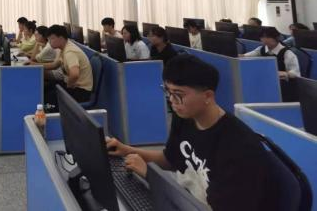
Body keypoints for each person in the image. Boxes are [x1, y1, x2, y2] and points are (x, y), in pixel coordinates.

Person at [106, 55, 279, 211]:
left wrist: (150, 176)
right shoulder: (185, 116)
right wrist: (126, 150)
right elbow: (170, 160)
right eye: (168, 92)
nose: (172, 101)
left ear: (207, 96)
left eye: (178, 94)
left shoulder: (239, 148)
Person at [43, 25, 93, 107]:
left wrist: (68, 86)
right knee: (44, 88)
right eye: (48, 39)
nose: (49, 42)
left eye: (52, 39)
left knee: (48, 98)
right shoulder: (64, 47)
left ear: (61, 38)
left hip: (81, 91)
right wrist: (33, 65)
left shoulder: (70, 52)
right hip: (72, 85)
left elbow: (74, 74)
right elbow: (54, 65)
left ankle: (50, 112)